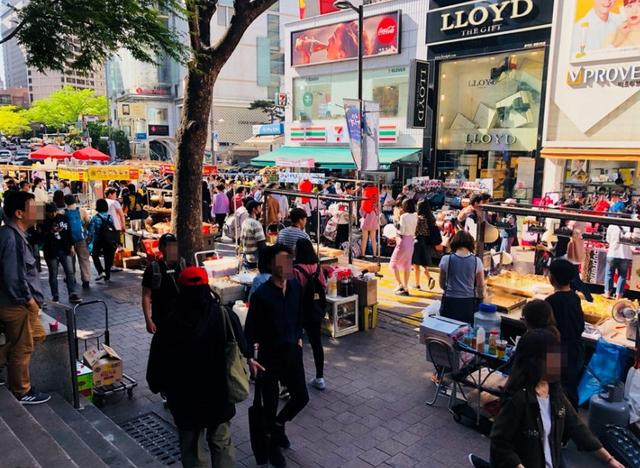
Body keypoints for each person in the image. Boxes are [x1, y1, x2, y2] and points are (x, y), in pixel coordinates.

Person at [470, 329, 624, 468]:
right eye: (553, 358)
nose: (558, 363)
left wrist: (609, 459)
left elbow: (576, 427)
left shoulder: (555, 392)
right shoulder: (519, 399)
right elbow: (500, 443)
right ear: (535, 362)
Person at [147, 267, 246, 468]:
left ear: (181, 289)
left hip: (184, 399)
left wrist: (158, 385)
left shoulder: (169, 322)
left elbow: (157, 361)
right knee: (222, 442)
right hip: (219, 394)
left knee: (192, 447)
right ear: (206, 287)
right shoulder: (224, 315)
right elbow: (243, 347)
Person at [245, 244, 309, 468]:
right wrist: (250, 357)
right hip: (269, 359)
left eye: (289, 260)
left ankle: (280, 424)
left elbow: (300, 314)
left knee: (301, 397)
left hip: (292, 352)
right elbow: (250, 330)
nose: (287, 265)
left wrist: (299, 336)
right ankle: (272, 448)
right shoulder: (261, 295)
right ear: (272, 265)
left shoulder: (295, 287)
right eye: (282, 261)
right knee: (269, 407)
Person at [0, 191, 50, 404]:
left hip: (19, 303)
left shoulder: (14, 235)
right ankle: (22, 391)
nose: (38, 209)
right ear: (19, 213)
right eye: (33, 206)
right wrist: (30, 302)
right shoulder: (11, 238)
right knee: (23, 346)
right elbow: (14, 277)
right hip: (16, 304)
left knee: (37, 334)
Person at [545, 259, 585, 410]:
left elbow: (546, 328)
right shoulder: (575, 297)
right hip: (575, 348)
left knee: (554, 386)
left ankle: (557, 416)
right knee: (571, 385)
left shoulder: (551, 301)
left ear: (552, 278)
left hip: (556, 350)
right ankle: (572, 415)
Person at [293, 238, 327, 391]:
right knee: (316, 344)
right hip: (314, 311)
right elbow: (324, 286)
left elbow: (291, 291)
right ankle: (320, 378)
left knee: (296, 344)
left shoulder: (295, 269)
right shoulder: (317, 267)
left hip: (299, 311)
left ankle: (297, 380)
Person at [439, 230, 484, 324]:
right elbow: (480, 286)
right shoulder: (477, 261)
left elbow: (442, 284)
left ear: (454, 242)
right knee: (466, 329)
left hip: (450, 301)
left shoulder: (446, 259)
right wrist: (481, 300)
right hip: (468, 303)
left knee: (448, 327)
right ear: (471, 243)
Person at [42, 203, 82, 304]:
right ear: (47, 212)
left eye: (54, 211)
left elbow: (69, 232)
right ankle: (55, 295)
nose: (53, 214)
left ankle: (72, 293)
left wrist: (72, 245)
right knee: (53, 273)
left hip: (64, 248)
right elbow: (41, 237)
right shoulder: (43, 221)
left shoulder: (63, 218)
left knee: (70, 272)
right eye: (50, 212)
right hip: (50, 250)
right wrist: (51, 231)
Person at [141, 234, 181, 334]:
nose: (172, 248)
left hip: (181, 317)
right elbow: (146, 296)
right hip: (161, 318)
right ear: (161, 248)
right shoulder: (153, 269)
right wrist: (148, 320)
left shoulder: (183, 265)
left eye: (174, 245)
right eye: (168, 245)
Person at [390, 198, 418, 296]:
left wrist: (395, 223)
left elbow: (401, 231)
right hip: (411, 241)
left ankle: (400, 285)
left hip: (403, 241)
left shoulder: (404, 216)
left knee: (393, 263)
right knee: (407, 265)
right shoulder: (415, 216)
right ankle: (405, 287)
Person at [64, 194, 92, 289]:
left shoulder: (63, 213)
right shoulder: (81, 211)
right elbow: (87, 222)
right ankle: (86, 279)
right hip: (81, 238)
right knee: (84, 259)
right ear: (75, 200)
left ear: (65, 202)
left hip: (68, 240)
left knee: (70, 260)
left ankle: (72, 278)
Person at [87, 199, 118, 282]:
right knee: (108, 257)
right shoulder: (110, 217)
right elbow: (113, 227)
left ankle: (101, 271)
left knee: (95, 255)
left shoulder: (95, 218)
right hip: (109, 239)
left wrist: (89, 241)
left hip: (99, 240)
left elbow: (91, 231)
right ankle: (107, 276)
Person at [605, 216, 633, 299]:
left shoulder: (612, 225)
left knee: (609, 274)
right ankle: (618, 295)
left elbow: (608, 240)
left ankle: (607, 293)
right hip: (625, 255)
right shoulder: (632, 226)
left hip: (612, 253)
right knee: (622, 276)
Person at [412, 199, 437, 291]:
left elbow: (415, 230)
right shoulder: (431, 218)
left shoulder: (419, 218)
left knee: (416, 264)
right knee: (423, 263)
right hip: (426, 242)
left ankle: (417, 284)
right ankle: (429, 278)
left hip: (417, 241)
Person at [240, 200, 266, 269]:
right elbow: (261, 244)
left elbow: (241, 240)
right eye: (259, 207)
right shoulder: (256, 224)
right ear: (254, 209)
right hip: (255, 259)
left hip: (246, 257)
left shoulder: (245, 222)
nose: (260, 209)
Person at [360, 183, 379, 257]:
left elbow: (361, 211)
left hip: (366, 219)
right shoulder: (376, 198)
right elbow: (379, 211)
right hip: (374, 219)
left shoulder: (365, 198)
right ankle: (374, 255)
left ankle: (363, 254)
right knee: (373, 238)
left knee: (364, 238)